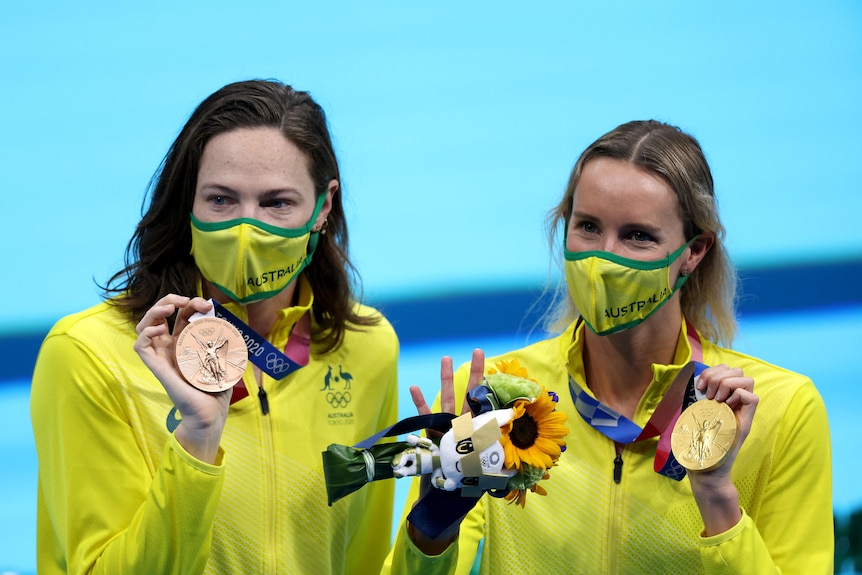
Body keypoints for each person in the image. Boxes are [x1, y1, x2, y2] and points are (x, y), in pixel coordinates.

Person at [383, 120, 833, 574]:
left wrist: (718, 498)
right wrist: (432, 529)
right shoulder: (495, 394)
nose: (602, 258)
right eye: (589, 227)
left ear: (694, 252)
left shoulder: (780, 409)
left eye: (638, 235)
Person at [30, 79, 399, 574]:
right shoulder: (88, 354)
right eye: (221, 200)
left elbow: (363, 563)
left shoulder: (367, 346)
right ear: (188, 202)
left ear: (323, 207)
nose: (246, 230)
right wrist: (197, 441)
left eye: (276, 203)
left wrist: (433, 531)